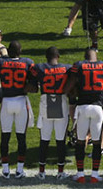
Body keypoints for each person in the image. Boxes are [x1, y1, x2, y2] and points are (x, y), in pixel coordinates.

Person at [68, 47, 103, 183]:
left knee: (80, 142)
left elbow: (69, 88)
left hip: (82, 107)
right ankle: (95, 174)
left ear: (85, 56)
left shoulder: (79, 66)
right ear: (96, 57)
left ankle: (80, 174)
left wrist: (72, 92)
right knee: (96, 143)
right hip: (98, 108)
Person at [0, 41, 32, 179]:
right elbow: (32, 84)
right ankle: (19, 169)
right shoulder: (27, 62)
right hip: (20, 101)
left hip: (6, 101)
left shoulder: (1, 63)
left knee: (5, 137)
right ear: (20, 51)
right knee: (21, 137)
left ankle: (5, 170)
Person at [34, 46, 71, 178]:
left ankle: (41, 171)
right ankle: (60, 172)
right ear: (58, 56)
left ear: (46, 57)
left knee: (44, 140)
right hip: (61, 103)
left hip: (46, 104)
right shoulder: (67, 68)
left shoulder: (40, 67)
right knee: (61, 140)